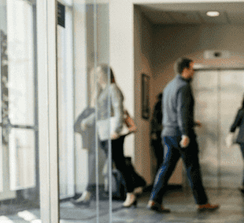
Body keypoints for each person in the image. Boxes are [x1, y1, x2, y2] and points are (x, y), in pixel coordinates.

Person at [147, 57, 219, 212]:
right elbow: (182, 111)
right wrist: (186, 133)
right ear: (185, 69)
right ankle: (202, 202)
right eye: (192, 69)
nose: (193, 72)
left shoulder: (169, 86)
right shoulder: (184, 86)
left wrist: (191, 122)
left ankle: (154, 199)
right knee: (193, 167)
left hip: (168, 133)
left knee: (165, 168)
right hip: (181, 135)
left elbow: (172, 112)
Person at [93, 65, 139, 207]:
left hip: (113, 132)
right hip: (104, 131)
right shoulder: (103, 91)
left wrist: (117, 129)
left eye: (100, 73)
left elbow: (119, 109)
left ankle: (131, 191)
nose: (98, 76)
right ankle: (135, 188)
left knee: (118, 163)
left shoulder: (112, 88)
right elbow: (99, 113)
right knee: (118, 163)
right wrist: (87, 121)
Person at [149, 92, 164, 176]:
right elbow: (155, 121)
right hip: (159, 134)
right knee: (161, 159)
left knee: (160, 159)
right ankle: (159, 181)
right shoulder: (160, 106)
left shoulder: (158, 106)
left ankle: (159, 181)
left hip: (157, 135)